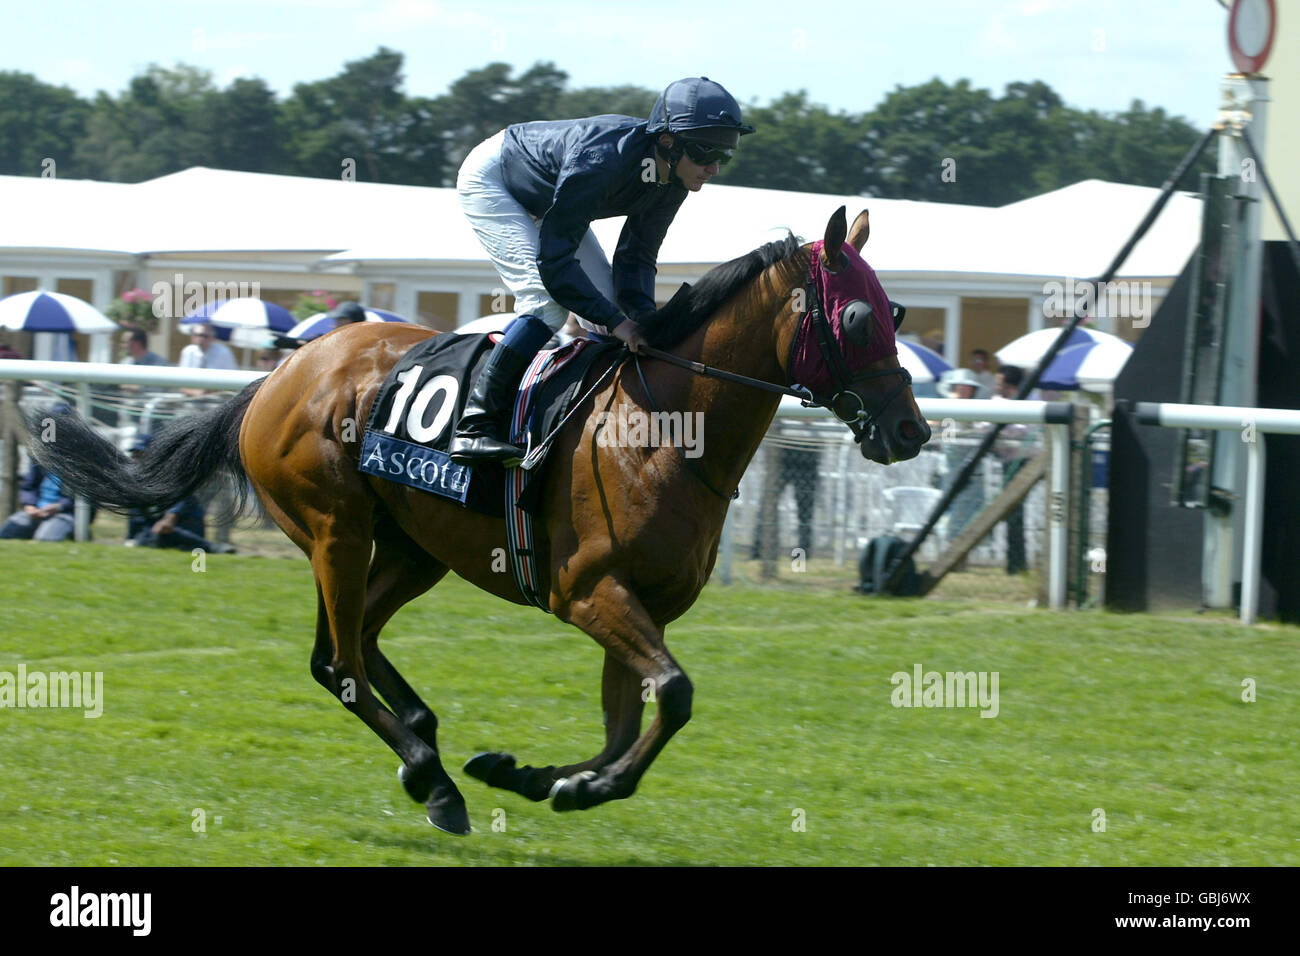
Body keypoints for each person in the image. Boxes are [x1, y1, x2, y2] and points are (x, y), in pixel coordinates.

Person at [449, 76, 755, 465]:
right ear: (667, 142)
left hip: (551, 196)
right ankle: (475, 426)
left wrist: (640, 322)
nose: (713, 168)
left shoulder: (675, 180)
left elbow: (637, 257)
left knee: (618, 314)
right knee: (546, 306)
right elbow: (555, 262)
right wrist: (615, 322)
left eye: (723, 157)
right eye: (705, 153)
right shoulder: (601, 160)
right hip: (497, 179)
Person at [123, 435, 235, 553]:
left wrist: (169, 518)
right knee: (149, 538)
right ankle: (209, 547)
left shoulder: (170, 472)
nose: (137, 459)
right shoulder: (136, 479)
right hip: (156, 528)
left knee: (159, 536)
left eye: (141, 454)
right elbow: (135, 514)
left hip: (184, 523)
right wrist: (131, 537)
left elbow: (180, 500)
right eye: (135, 455)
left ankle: (208, 547)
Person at [992, 365, 1034, 575]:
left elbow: (1023, 430)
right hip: (1008, 462)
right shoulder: (999, 402)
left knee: (1015, 515)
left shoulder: (1024, 401)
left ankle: (1017, 564)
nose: (996, 387)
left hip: (1022, 464)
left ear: (1009, 386)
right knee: (1012, 515)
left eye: (999, 383)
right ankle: (1015, 563)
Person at [0, 460, 76, 542]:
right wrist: (29, 505)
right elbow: (28, 487)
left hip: (65, 513)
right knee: (6, 534)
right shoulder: (39, 460)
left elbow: (77, 497)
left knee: (44, 540)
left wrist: (59, 507)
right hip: (36, 511)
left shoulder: (75, 462)